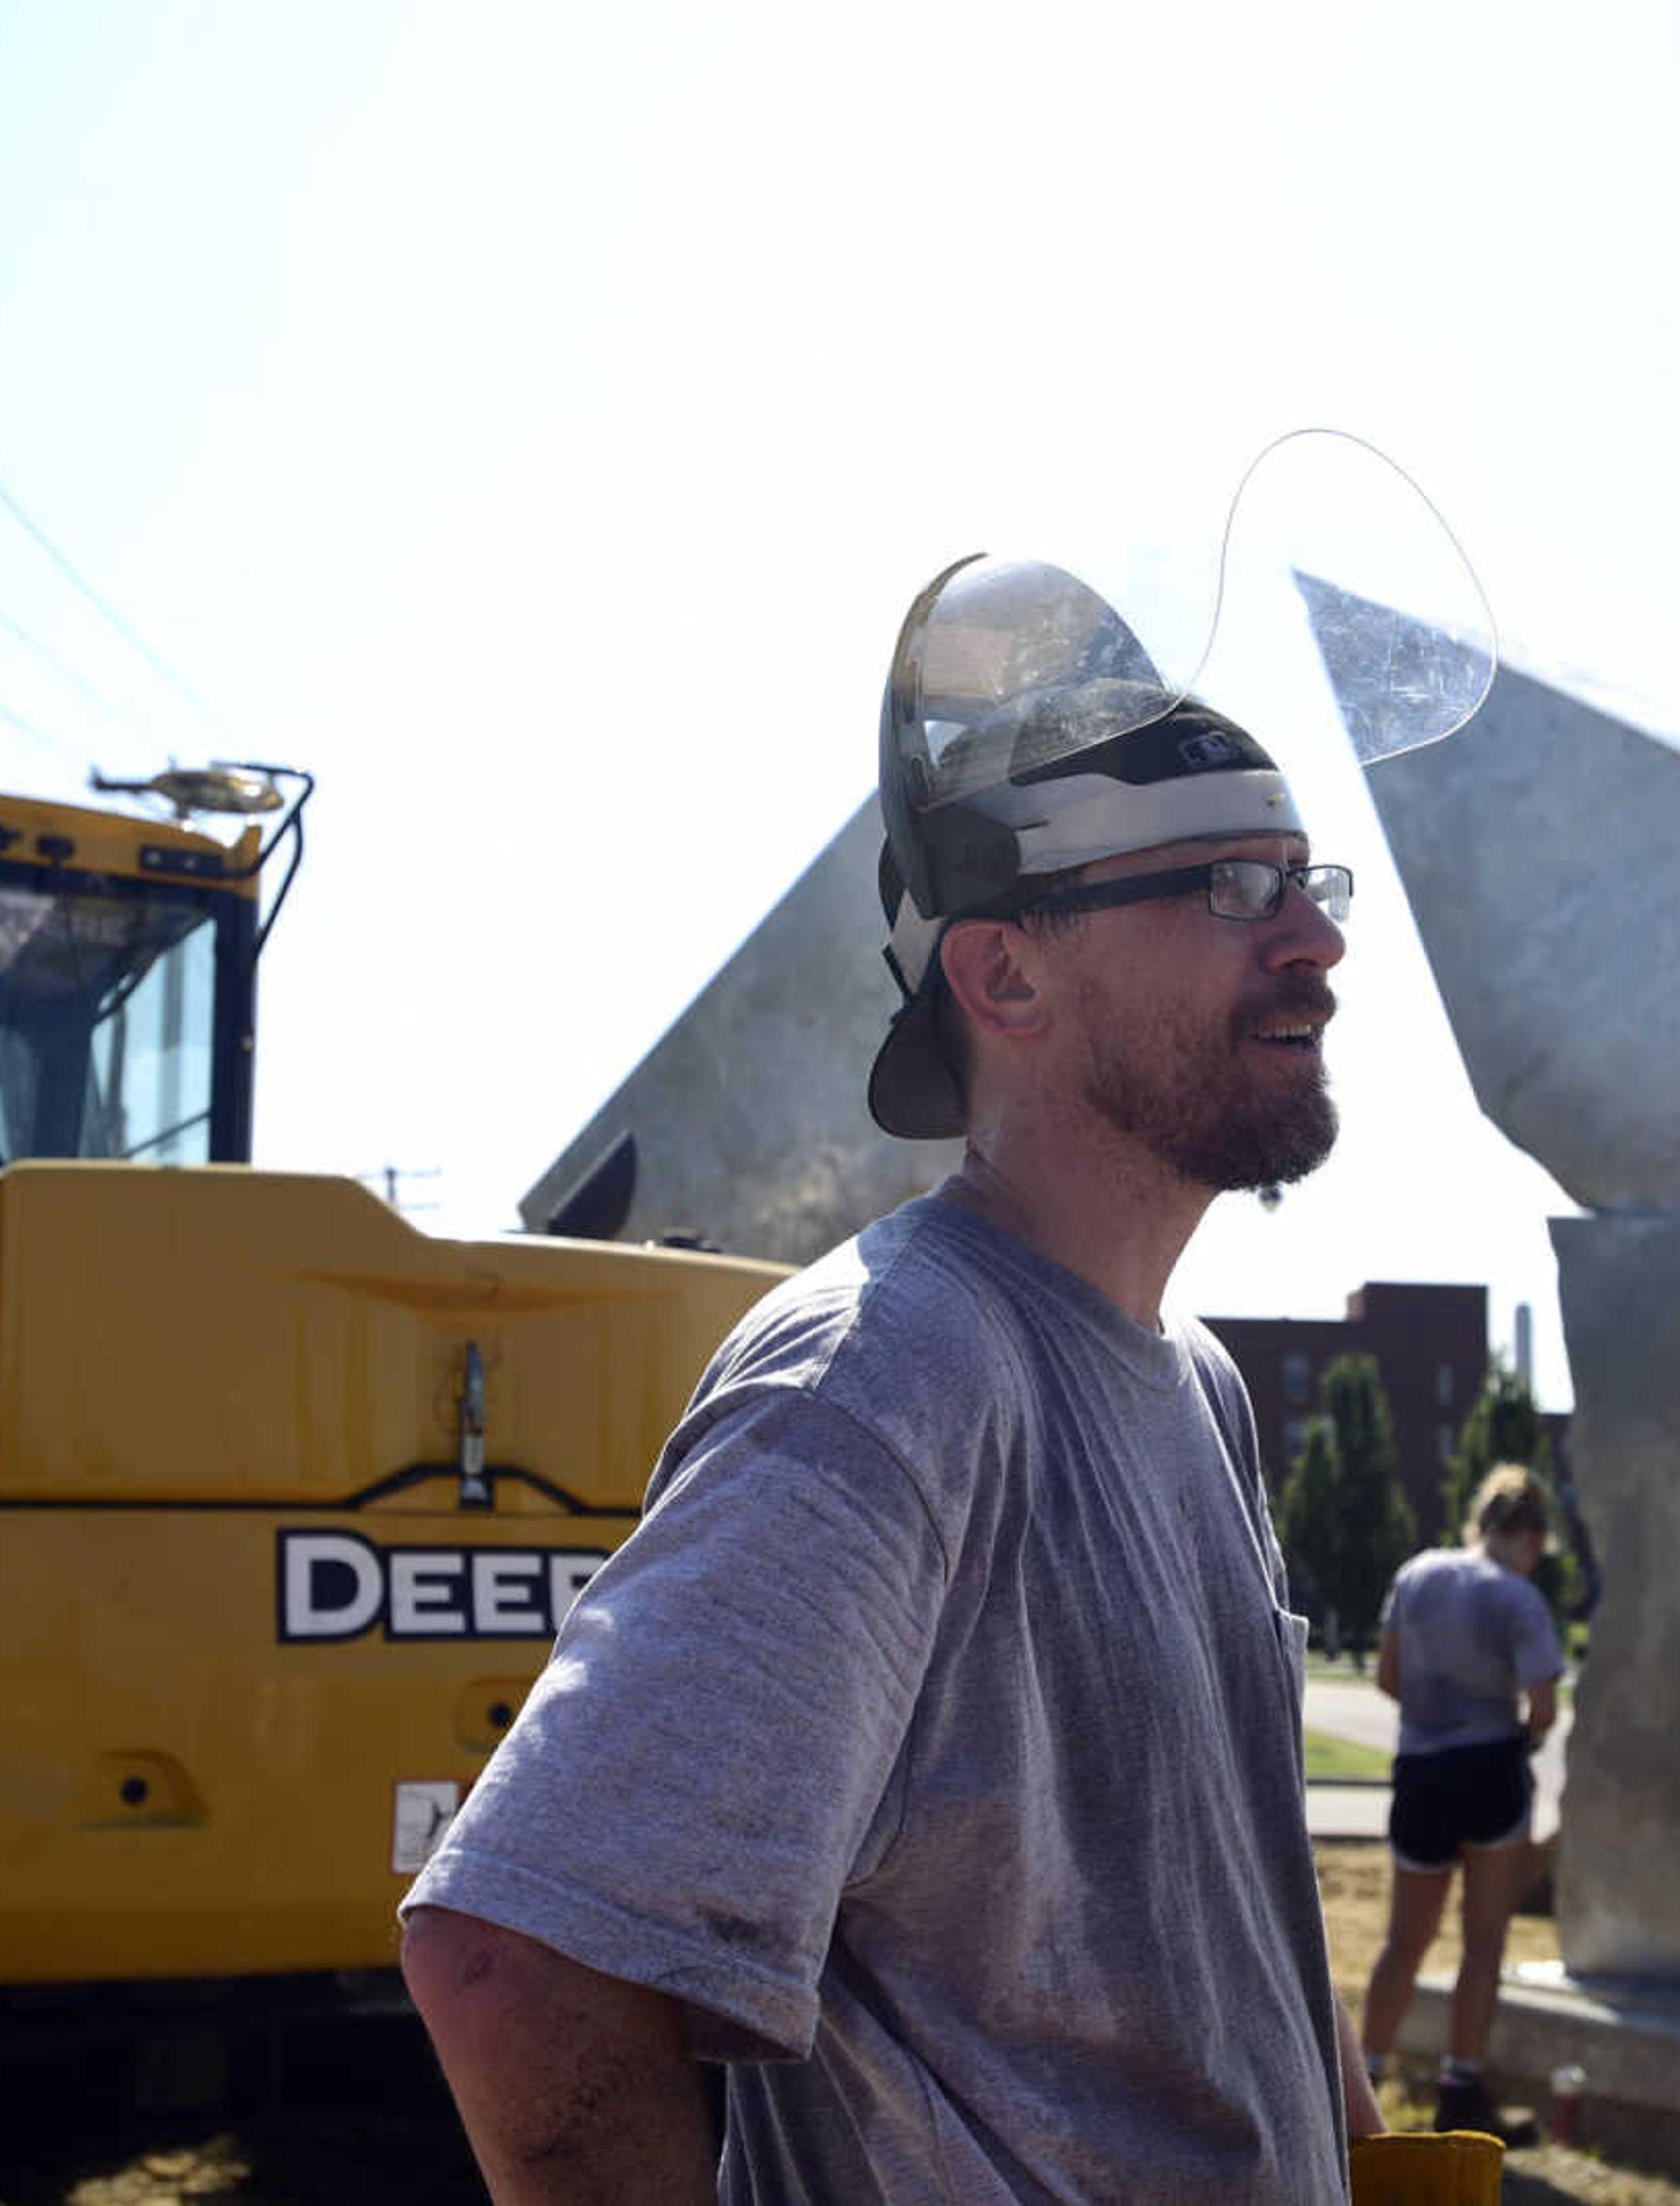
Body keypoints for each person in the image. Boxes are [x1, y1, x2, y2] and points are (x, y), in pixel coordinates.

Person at [398, 557, 1383, 2203]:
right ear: (1004, 976)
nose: (1314, 942)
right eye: (1223, 884)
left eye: (1304, 878)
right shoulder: (887, 1369)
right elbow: (515, 1962)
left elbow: (1238, 1904)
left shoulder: (1194, 1385)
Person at [1358, 1464, 1562, 2136]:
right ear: (1530, 1535)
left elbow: (1388, 1675)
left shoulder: (1416, 1573)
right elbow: (1541, 1706)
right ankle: (1461, 2084)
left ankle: (1363, 2079)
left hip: (1421, 1769)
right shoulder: (1518, 1597)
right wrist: (1522, 1735)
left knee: (1402, 1941)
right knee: (1482, 1941)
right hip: (1490, 1772)